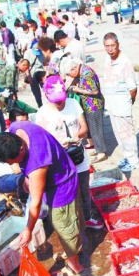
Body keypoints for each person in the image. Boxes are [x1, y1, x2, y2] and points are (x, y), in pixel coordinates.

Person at [0, 122, 86, 276]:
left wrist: (28, 230)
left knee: (63, 225)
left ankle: (75, 264)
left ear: (21, 149)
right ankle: (74, 250)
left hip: (62, 185)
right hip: (58, 169)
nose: (16, 165)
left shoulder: (36, 162)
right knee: (69, 220)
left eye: (16, 161)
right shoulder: (18, 128)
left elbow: (35, 204)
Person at [35, 75, 103, 230]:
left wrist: (75, 137)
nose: (60, 103)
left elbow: (84, 128)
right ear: (47, 96)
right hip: (59, 159)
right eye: (56, 101)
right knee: (66, 192)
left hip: (78, 154)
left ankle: (87, 217)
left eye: (62, 99)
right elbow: (41, 141)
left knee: (84, 188)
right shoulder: (42, 113)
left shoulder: (73, 104)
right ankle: (71, 221)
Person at [100, 32, 139, 172]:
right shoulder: (107, 59)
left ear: (118, 45)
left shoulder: (125, 62)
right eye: (107, 46)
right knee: (118, 135)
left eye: (112, 46)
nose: (110, 49)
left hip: (123, 105)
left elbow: (133, 88)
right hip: (112, 105)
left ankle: (134, 162)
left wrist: (128, 101)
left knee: (127, 135)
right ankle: (127, 158)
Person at [59, 55, 107, 163]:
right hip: (88, 103)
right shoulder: (81, 70)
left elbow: (95, 91)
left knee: (96, 129)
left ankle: (101, 152)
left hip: (94, 104)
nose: (69, 76)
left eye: (69, 73)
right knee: (91, 127)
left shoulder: (86, 74)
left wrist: (77, 89)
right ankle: (96, 146)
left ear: (74, 68)